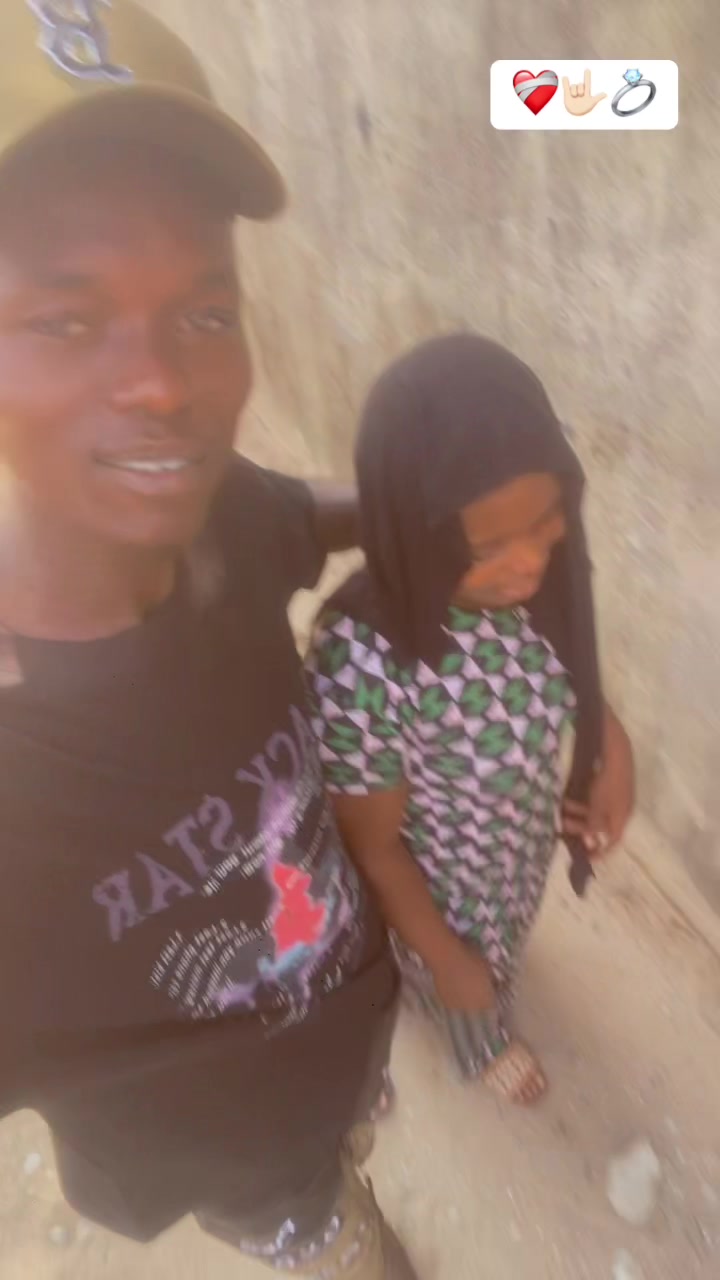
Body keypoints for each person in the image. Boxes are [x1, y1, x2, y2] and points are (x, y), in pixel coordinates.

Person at [0, 3, 416, 1275]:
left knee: (353, 1136)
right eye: (66, 320)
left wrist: (446, 497)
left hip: (350, 1020)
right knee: (336, 1238)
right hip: (234, 1160)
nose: (164, 384)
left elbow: (307, 515)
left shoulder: (218, 506)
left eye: (204, 311)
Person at [306, 334, 635, 1106]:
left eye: (547, 521)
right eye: (489, 545)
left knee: (501, 950)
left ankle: (490, 968)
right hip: (438, 897)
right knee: (466, 985)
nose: (530, 562)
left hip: (514, 856)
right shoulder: (365, 661)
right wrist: (450, 961)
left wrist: (610, 748)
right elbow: (375, 849)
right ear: (415, 534)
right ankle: (476, 1042)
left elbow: (573, 666)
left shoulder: (538, 587)